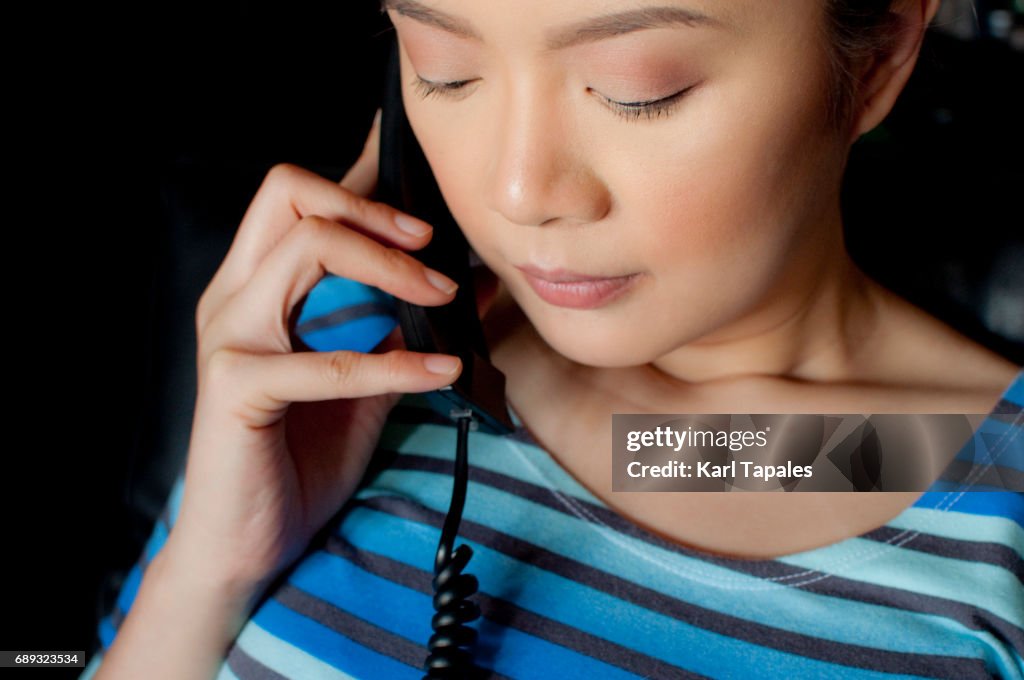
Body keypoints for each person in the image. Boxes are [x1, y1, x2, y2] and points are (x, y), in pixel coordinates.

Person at [83, 0, 1024, 678]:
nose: (521, 192)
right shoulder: (343, 354)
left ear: (877, 55)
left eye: (636, 90)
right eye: (444, 67)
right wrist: (209, 567)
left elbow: (704, 457)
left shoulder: (993, 517)